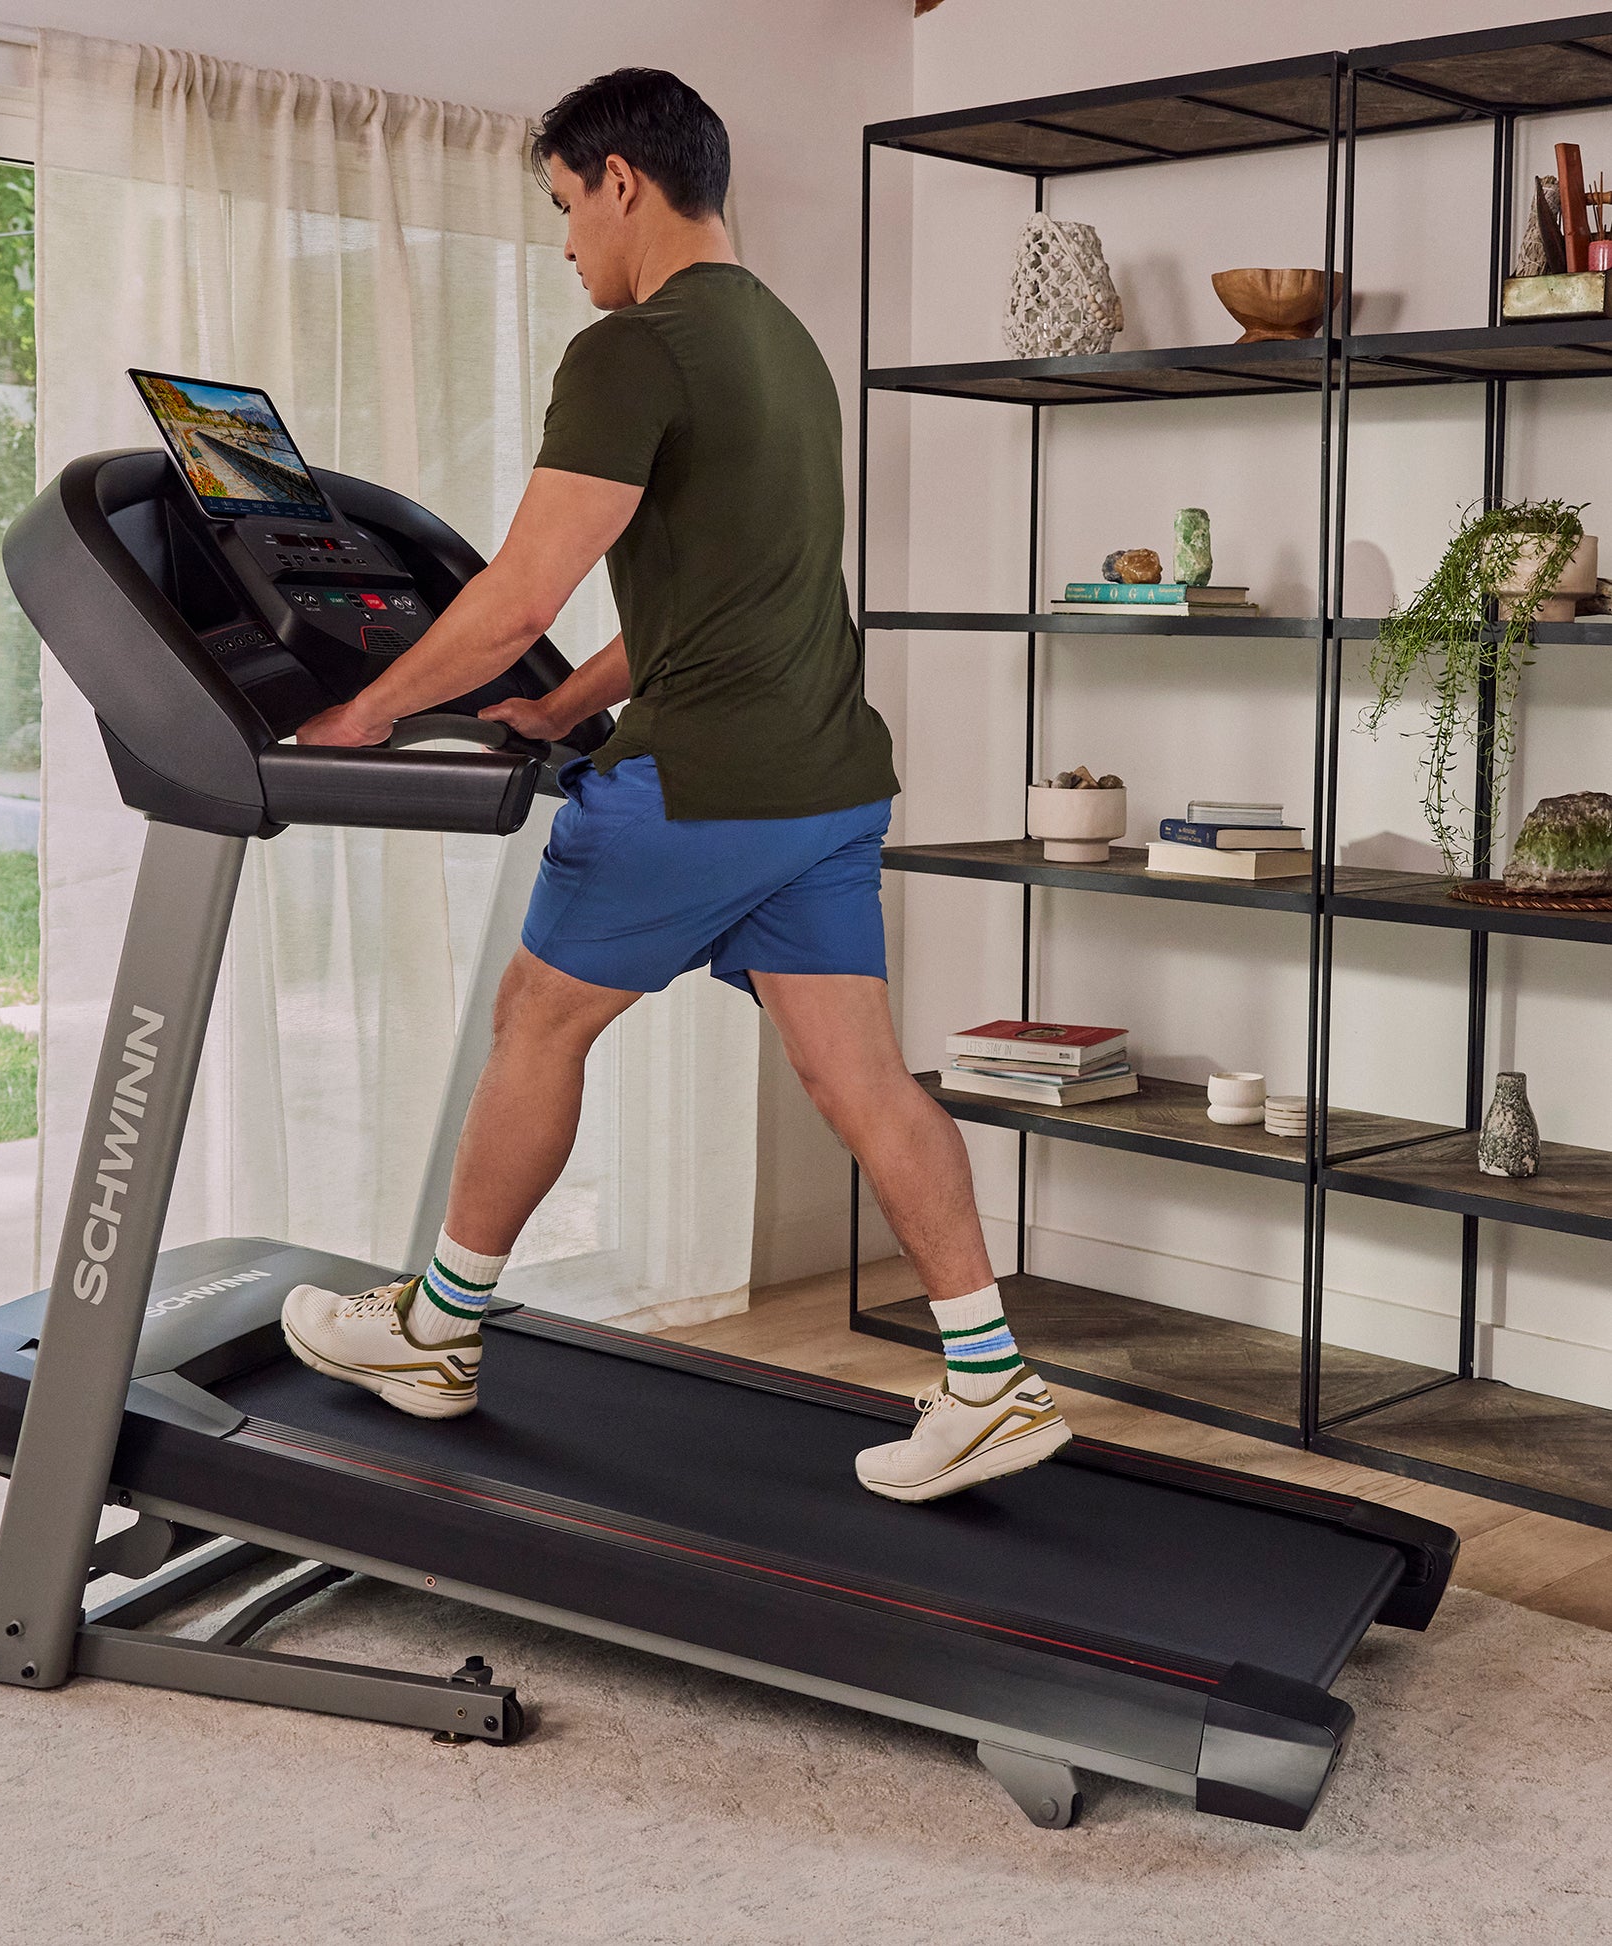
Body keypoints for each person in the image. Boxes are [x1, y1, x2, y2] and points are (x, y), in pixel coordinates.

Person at [283, 67, 1068, 1502]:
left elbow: (523, 590)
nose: (566, 245)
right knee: (859, 1074)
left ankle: (435, 1334)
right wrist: (561, 704)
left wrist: (363, 712)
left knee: (535, 1021)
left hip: (700, 780)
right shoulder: (779, 338)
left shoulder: (632, 348)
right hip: (825, 776)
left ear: (621, 182)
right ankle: (988, 1379)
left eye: (564, 209)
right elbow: (712, 589)